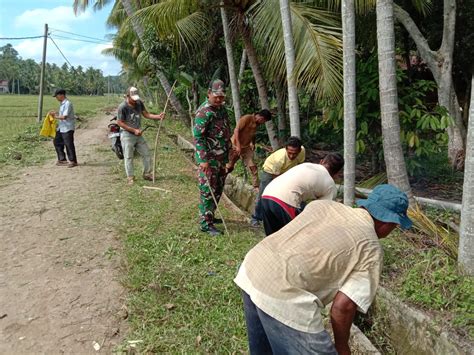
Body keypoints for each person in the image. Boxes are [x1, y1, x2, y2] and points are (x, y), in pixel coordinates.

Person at [234, 184, 413, 355]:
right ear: (389, 222)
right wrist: (342, 347)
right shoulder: (370, 247)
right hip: (284, 293)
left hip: (254, 266)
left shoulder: (323, 205)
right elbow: (343, 307)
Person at [260, 153, 344, 235]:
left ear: (322, 161)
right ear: (337, 174)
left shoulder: (306, 165)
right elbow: (321, 211)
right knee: (296, 237)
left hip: (267, 194)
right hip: (285, 201)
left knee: (272, 238)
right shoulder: (330, 186)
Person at [193, 79, 231, 236]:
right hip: (208, 160)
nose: (219, 99)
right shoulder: (204, 112)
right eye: (216, 97)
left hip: (221, 158)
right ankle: (205, 224)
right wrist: (203, 160)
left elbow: (226, 131)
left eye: (222, 97)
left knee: (218, 189)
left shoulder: (221, 109)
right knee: (207, 190)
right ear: (209, 94)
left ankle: (210, 215)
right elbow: (198, 137)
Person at [250, 136, 305, 227]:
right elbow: (277, 179)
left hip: (287, 171)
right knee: (264, 194)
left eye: (294, 153)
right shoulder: (280, 159)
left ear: (299, 151)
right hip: (270, 171)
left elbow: (300, 165)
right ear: (285, 149)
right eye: (289, 153)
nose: (292, 156)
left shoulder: (302, 151)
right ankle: (255, 218)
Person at [117, 86, 165, 185]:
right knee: (128, 157)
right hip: (127, 135)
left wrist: (158, 117)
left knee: (146, 153)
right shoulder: (123, 107)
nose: (135, 101)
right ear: (127, 96)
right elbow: (120, 123)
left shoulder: (139, 103)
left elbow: (146, 114)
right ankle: (130, 177)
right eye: (133, 99)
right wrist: (133, 130)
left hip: (138, 134)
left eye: (136, 98)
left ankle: (147, 174)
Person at [226, 109, 272, 188]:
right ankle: (221, 180)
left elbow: (252, 134)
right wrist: (238, 145)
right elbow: (236, 130)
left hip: (246, 147)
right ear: (261, 117)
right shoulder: (247, 118)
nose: (263, 123)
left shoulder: (257, 124)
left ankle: (255, 187)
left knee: (253, 167)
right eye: (264, 121)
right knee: (229, 166)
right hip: (235, 145)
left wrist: (253, 143)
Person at [49, 89, 77, 168]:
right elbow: (62, 115)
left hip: (67, 127)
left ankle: (73, 161)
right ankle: (62, 159)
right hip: (61, 127)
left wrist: (55, 117)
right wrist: (56, 114)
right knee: (57, 141)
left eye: (57, 96)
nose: (56, 98)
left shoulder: (68, 103)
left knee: (68, 144)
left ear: (61, 95)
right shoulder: (62, 104)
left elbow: (64, 117)